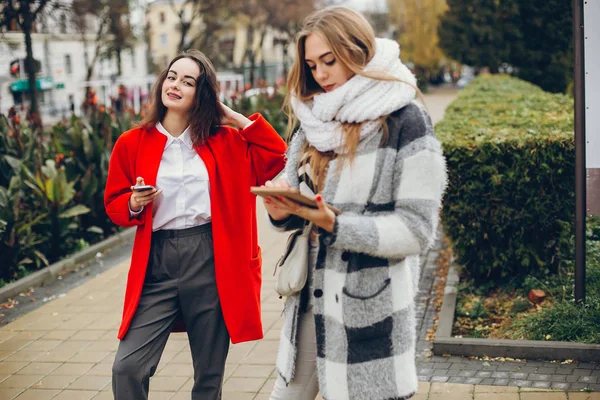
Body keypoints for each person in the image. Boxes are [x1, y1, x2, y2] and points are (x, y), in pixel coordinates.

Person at [262, 6, 447, 400]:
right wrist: (282, 212)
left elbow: (417, 230)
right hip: (309, 297)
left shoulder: (405, 119)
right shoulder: (312, 119)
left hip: (369, 309)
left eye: (329, 61)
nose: (321, 75)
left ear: (359, 50)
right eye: (312, 65)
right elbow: (301, 206)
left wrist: (337, 226)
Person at [104, 49, 287, 399]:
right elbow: (114, 204)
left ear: (201, 94)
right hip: (156, 263)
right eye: (172, 76)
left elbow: (276, 158)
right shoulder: (132, 142)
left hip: (212, 260)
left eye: (188, 81)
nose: (175, 85)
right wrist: (133, 202)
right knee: (126, 368)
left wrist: (234, 118)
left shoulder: (226, 140)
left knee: (208, 377)